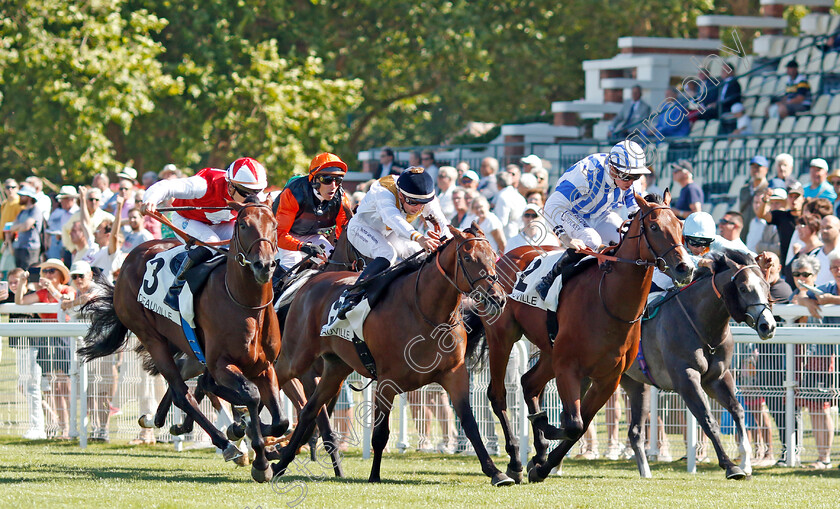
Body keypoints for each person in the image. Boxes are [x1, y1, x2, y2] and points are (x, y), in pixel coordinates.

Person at [141, 157, 268, 309]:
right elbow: (167, 186)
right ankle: (175, 289)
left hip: (221, 222)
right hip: (188, 219)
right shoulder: (204, 184)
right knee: (210, 241)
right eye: (246, 192)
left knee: (242, 244)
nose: (253, 198)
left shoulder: (254, 195)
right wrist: (151, 199)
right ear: (231, 186)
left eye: (257, 192)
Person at [536, 141, 650, 298]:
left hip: (600, 213)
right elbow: (551, 205)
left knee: (627, 237)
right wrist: (565, 238)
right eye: (627, 176)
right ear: (613, 169)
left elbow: (636, 212)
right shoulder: (586, 174)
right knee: (592, 240)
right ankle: (549, 279)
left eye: (636, 176)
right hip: (569, 212)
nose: (631, 182)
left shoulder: (630, 181)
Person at [336, 167, 449, 319]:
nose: (419, 208)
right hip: (362, 227)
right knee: (388, 254)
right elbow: (393, 219)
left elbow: (440, 221)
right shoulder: (383, 190)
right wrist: (420, 238)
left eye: (424, 203)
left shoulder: (422, 197)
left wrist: (449, 240)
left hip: (390, 232)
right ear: (401, 195)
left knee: (418, 254)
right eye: (414, 203)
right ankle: (352, 296)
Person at [13, 259, 75, 438]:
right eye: (45, 271)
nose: (47, 274)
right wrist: (22, 283)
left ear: (60, 276)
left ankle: (72, 427)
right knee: (55, 385)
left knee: (65, 384)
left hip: (63, 336)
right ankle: (63, 428)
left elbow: (67, 302)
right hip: (47, 338)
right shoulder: (41, 293)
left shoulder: (66, 289)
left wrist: (52, 289)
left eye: (51, 272)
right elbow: (20, 302)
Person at [789, 254, 835, 469]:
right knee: (810, 407)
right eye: (797, 274)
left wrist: (811, 298)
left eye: (806, 274)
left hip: (824, 356)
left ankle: (824, 458)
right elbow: (795, 302)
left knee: (820, 406)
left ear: (815, 275)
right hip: (801, 358)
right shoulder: (796, 294)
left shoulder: (826, 289)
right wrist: (804, 299)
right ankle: (815, 456)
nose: (801, 279)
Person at [273, 153, 352, 269]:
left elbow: (342, 236)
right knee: (291, 262)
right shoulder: (293, 193)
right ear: (314, 179)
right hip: (285, 234)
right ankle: (275, 287)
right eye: (327, 179)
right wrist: (302, 246)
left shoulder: (341, 199)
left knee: (336, 262)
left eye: (338, 180)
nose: (333, 185)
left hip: (312, 235)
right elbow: (279, 235)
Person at [3, 267, 46, 439]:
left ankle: (39, 428)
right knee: (26, 387)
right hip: (20, 347)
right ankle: (43, 424)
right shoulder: (7, 296)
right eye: (11, 282)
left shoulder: (32, 295)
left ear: (26, 280)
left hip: (36, 347)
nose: (14, 285)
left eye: (18, 281)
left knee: (34, 387)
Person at [9, 185, 43, 269]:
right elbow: (12, 227)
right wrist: (21, 226)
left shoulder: (36, 210)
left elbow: (26, 226)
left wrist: (19, 226)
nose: (19, 197)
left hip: (30, 249)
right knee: (19, 275)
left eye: (22, 196)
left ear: (29, 197)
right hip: (19, 247)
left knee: (30, 276)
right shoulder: (22, 211)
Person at [738, 155, 770, 240]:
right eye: (753, 167)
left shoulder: (769, 189)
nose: (755, 169)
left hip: (761, 232)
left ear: (766, 170)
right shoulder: (744, 189)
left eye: (758, 166)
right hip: (745, 232)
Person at [45, 186, 79, 263]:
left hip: (75, 250)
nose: (60, 202)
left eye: (63, 199)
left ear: (71, 199)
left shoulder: (77, 214)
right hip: (66, 248)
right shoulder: (64, 213)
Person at [493, 169, 527, 241]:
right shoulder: (519, 196)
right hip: (520, 233)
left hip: (507, 235)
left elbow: (502, 221)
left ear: (498, 183)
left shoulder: (502, 196)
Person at [745, 191, 781, 257]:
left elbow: (778, 248)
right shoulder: (752, 222)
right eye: (756, 202)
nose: (758, 205)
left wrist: (760, 247)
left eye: (761, 203)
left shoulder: (770, 223)